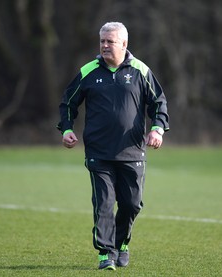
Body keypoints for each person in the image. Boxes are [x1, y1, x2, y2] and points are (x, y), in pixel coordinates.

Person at [57, 22, 169, 270]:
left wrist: (157, 129)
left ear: (124, 44)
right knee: (105, 204)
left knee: (131, 204)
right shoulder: (88, 71)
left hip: (132, 151)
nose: (105, 46)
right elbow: (67, 103)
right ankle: (105, 253)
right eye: (102, 41)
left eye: (111, 41)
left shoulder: (140, 70)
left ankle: (122, 245)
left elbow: (159, 103)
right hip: (99, 152)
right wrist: (66, 129)